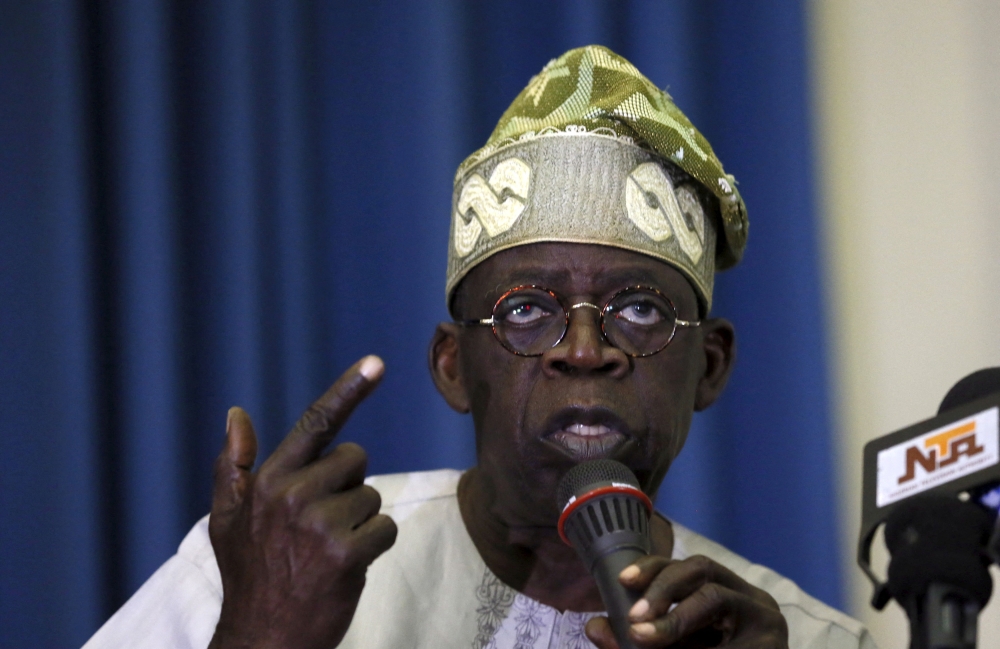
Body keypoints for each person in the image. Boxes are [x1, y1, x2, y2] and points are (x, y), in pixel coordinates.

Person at [84, 46, 875, 649]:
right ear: (453, 365)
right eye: (527, 309)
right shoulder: (273, 572)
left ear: (710, 365)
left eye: (639, 308)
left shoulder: (803, 638)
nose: (585, 349)